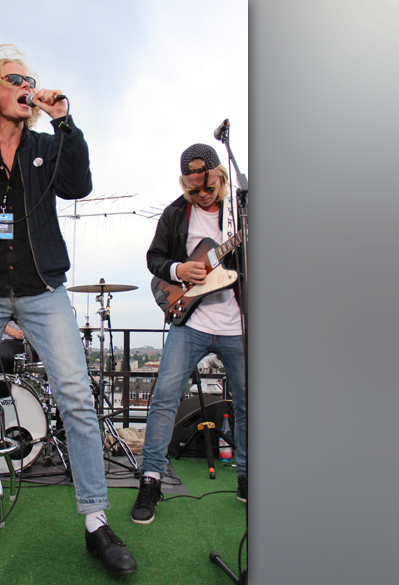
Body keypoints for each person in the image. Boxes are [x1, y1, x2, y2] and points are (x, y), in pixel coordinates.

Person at [0, 44, 136, 575]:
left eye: (29, 79)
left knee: (76, 396)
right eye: (15, 79)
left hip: (42, 288)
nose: (26, 85)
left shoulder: (47, 145)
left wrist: (65, 120)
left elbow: (79, 185)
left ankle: (96, 521)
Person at [133, 143, 248, 525]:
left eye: (208, 186)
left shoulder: (240, 213)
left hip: (237, 324)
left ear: (221, 176)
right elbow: (154, 258)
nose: (202, 194)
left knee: (248, 403)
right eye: (194, 189)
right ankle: (151, 479)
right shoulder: (175, 213)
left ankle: (247, 477)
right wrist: (179, 270)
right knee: (164, 397)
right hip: (192, 323)